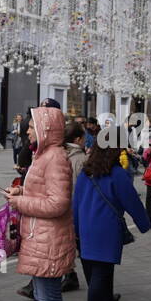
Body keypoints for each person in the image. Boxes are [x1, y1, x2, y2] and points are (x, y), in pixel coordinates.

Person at [6, 105, 74, 301]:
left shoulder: (55, 157)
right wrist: (21, 190)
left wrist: (21, 202)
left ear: (46, 129)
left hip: (49, 238)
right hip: (39, 235)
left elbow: (59, 203)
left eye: (32, 127)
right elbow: (44, 191)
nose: (28, 131)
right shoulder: (42, 154)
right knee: (43, 300)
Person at [72, 144, 151, 301]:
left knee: (100, 270)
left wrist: (75, 229)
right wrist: (143, 223)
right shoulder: (116, 173)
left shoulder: (86, 172)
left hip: (85, 228)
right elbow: (131, 200)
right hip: (106, 228)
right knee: (102, 270)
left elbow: (76, 203)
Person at [60, 122, 88, 292]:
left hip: (62, 210)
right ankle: (101, 294)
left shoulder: (59, 155)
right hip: (75, 211)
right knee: (85, 251)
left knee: (65, 246)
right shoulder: (81, 160)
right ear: (78, 139)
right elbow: (82, 189)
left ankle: (70, 276)